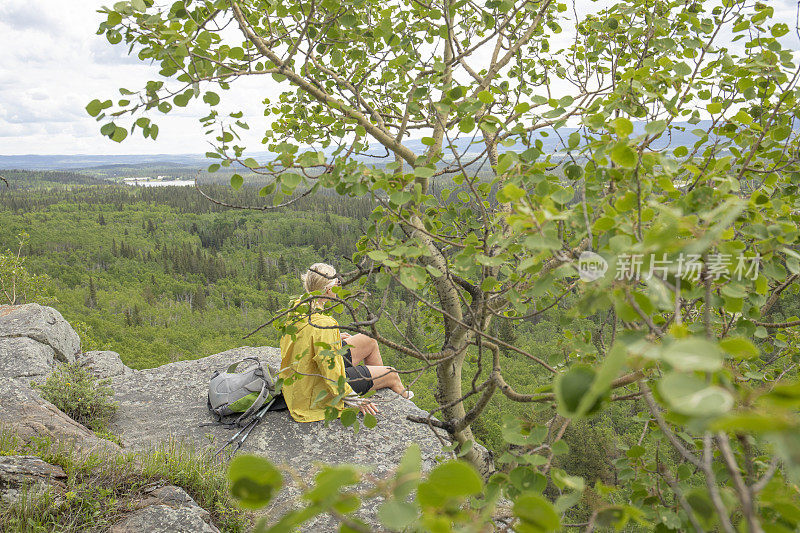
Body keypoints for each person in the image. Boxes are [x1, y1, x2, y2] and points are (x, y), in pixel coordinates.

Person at [279, 263, 413, 423]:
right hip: (317, 390)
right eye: (337, 283)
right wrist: (354, 399)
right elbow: (331, 373)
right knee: (391, 373)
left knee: (369, 340)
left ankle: (374, 385)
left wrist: (333, 337)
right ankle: (408, 410)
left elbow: (304, 341)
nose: (339, 285)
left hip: (303, 380)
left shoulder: (298, 307)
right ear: (329, 290)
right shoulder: (324, 324)